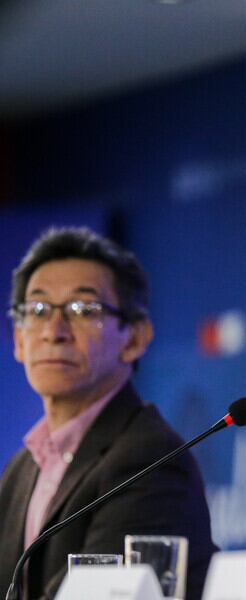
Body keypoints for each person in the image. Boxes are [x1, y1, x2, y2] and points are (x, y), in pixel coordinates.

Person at [0, 227, 217, 600]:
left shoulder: (150, 460)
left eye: (84, 310)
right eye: (37, 310)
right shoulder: (21, 468)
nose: (54, 331)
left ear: (134, 338)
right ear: (19, 340)